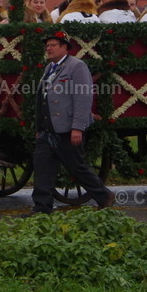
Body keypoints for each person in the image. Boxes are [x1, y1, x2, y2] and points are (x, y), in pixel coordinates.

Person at [27, 31, 114, 215]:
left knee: (77, 167)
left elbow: (83, 98)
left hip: (66, 128)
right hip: (47, 129)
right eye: (47, 45)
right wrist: (39, 127)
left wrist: (77, 127)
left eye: (53, 45)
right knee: (42, 167)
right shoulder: (49, 68)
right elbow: (42, 98)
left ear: (65, 47)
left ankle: (104, 196)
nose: (48, 48)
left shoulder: (77, 66)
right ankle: (41, 209)